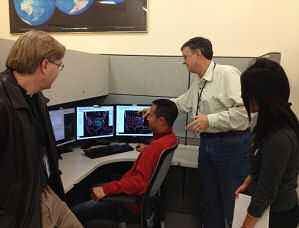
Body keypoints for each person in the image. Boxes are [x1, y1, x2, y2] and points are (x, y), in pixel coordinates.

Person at [139, 37, 251, 228]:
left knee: (233, 200)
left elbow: (246, 113)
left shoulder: (227, 75)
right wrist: (156, 110)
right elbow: (181, 103)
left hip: (231, 146)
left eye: (185, 56)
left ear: (198, 54)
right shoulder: (199, 83)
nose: (183, 61)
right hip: (207, 144)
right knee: (209, 201)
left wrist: (210, 119)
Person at [0, 31, 83, 228]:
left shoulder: (36, 99)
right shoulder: (3, 105)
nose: (58, 71)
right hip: (20, 208)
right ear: (45, 65)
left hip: (44, 192)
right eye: (59, 66)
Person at [72, 99, 178, 225]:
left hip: (130, 205)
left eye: (150, 115)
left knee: (75, 212)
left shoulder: (155, 148)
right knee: (104, 180)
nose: (147, 118)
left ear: (161, 121)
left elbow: (139, 182)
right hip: (145, 202)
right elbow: (154, 158)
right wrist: (147, 150)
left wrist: (106, 190)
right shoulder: (169, 139)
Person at [235, 59, 299, 228]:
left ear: (261, 96)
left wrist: (245, 225)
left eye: (246, 91)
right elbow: (265, 163)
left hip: (276, 214)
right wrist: (248, 182)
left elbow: (266, 192)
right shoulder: (268, 121)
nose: (242, 96)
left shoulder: (280, 136)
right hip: (266, 209)